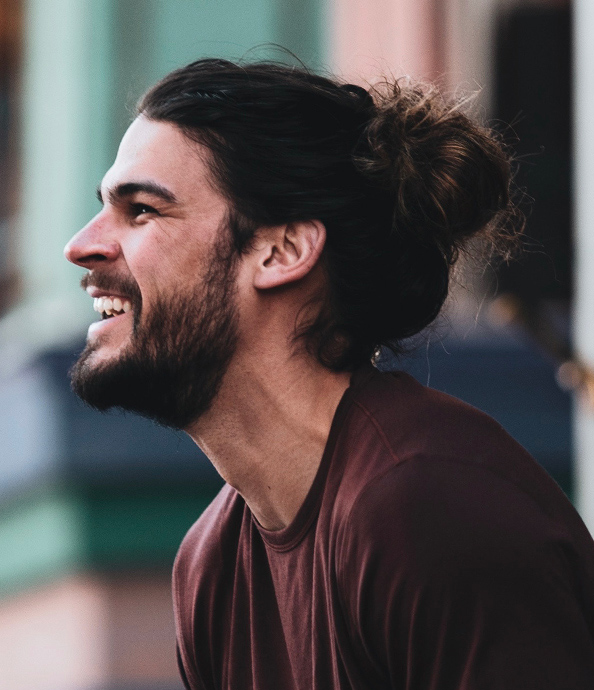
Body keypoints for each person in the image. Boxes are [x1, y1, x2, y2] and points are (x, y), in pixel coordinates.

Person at [64, 59, 594, 689]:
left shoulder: (426, 503)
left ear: (282, 251)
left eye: (142, 209)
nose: (82, 244)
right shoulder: (209, 569)